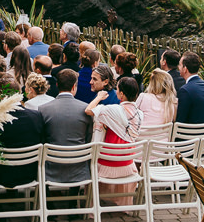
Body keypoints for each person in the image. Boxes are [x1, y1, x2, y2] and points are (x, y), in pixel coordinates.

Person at [87, 74, 142, 205]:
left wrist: (99, 97)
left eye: (117, 89)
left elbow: (89, 110)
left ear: (121, 94)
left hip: (107, 165)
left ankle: (92, 204)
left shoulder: (113, 110)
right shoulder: (140, 114)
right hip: (128, 164)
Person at [0, 72, 47, 189]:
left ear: (0, 96)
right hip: (29, 173)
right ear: (19, 93)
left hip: (0, 175)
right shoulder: (36, 116)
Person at [40, 69, 92, 186]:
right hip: (79, 168)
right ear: (74, 86)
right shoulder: (85, 109)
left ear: (57, 85)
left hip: (51, 167)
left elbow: (42, 139)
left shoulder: (43, 109)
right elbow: (89, 138)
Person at [176, 53, 204, 126]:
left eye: (179, 65)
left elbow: (180, 120)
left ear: (185, 69)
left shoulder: (185, 90)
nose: (178, 67)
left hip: (192, 132)